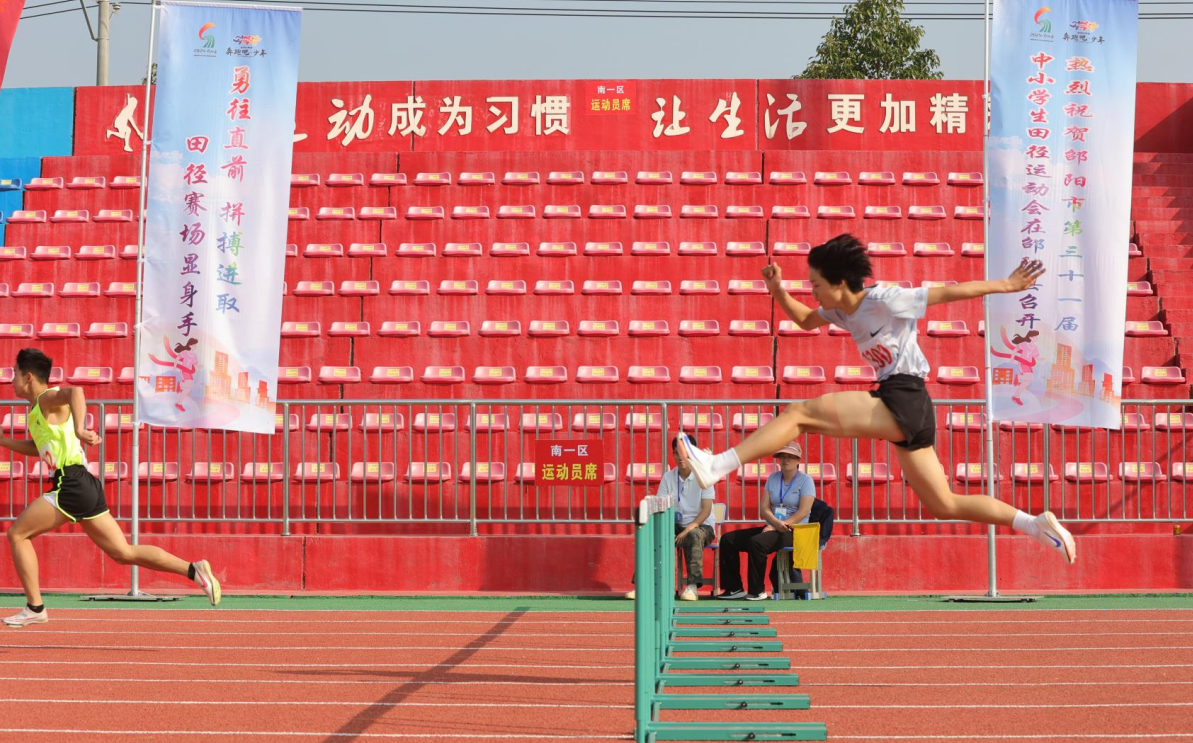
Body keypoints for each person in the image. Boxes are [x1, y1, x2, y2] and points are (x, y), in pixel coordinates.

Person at [678, 234, 1076, 564]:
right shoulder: (842, 312)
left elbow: (947, 294)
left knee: (800, 413)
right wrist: (778, 289)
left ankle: (718, 464)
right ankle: (1032, 523)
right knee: (944, 504)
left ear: (839, 283)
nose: (812, 290)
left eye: (815, 283)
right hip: (910, 408)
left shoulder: (884, 299)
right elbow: (802, 319)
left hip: (904, 395)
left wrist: (1005, 286)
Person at [1, 348, 221, 628]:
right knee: (123, 553)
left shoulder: (47, 398)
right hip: (83, 483)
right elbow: (39, 448)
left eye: (14, 374)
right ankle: (194, 570)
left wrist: (80, 428)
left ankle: (35, 607)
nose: (11, 380)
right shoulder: (37, 411)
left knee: (18, 534)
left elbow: (76, 391)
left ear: (28, 376)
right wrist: (4, 441)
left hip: (70, 483)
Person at [716, 442, 815, 600]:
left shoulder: (806, 480)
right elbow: (764, 507)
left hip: (794, 530)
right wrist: (775, 524)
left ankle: (757, 591)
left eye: (790, 457)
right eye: (782, 456)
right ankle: (734, 588)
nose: (785, 460)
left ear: (798, 461)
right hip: (774, 525)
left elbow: (804, 511)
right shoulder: (773, 478)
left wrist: (781, 525)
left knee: (757, 542)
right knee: (728, 540)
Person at [625, 433, 716, 601]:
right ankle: (642, 585)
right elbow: (660, 506)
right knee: (650, 535)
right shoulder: (668, 477)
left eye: (685, 452)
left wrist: (689, 528)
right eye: (676, 452)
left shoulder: (704, 476)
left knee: (694, 535)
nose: (681, 457)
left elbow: (707, 510)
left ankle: (692, 587)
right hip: (674, 524)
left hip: (702, 526)